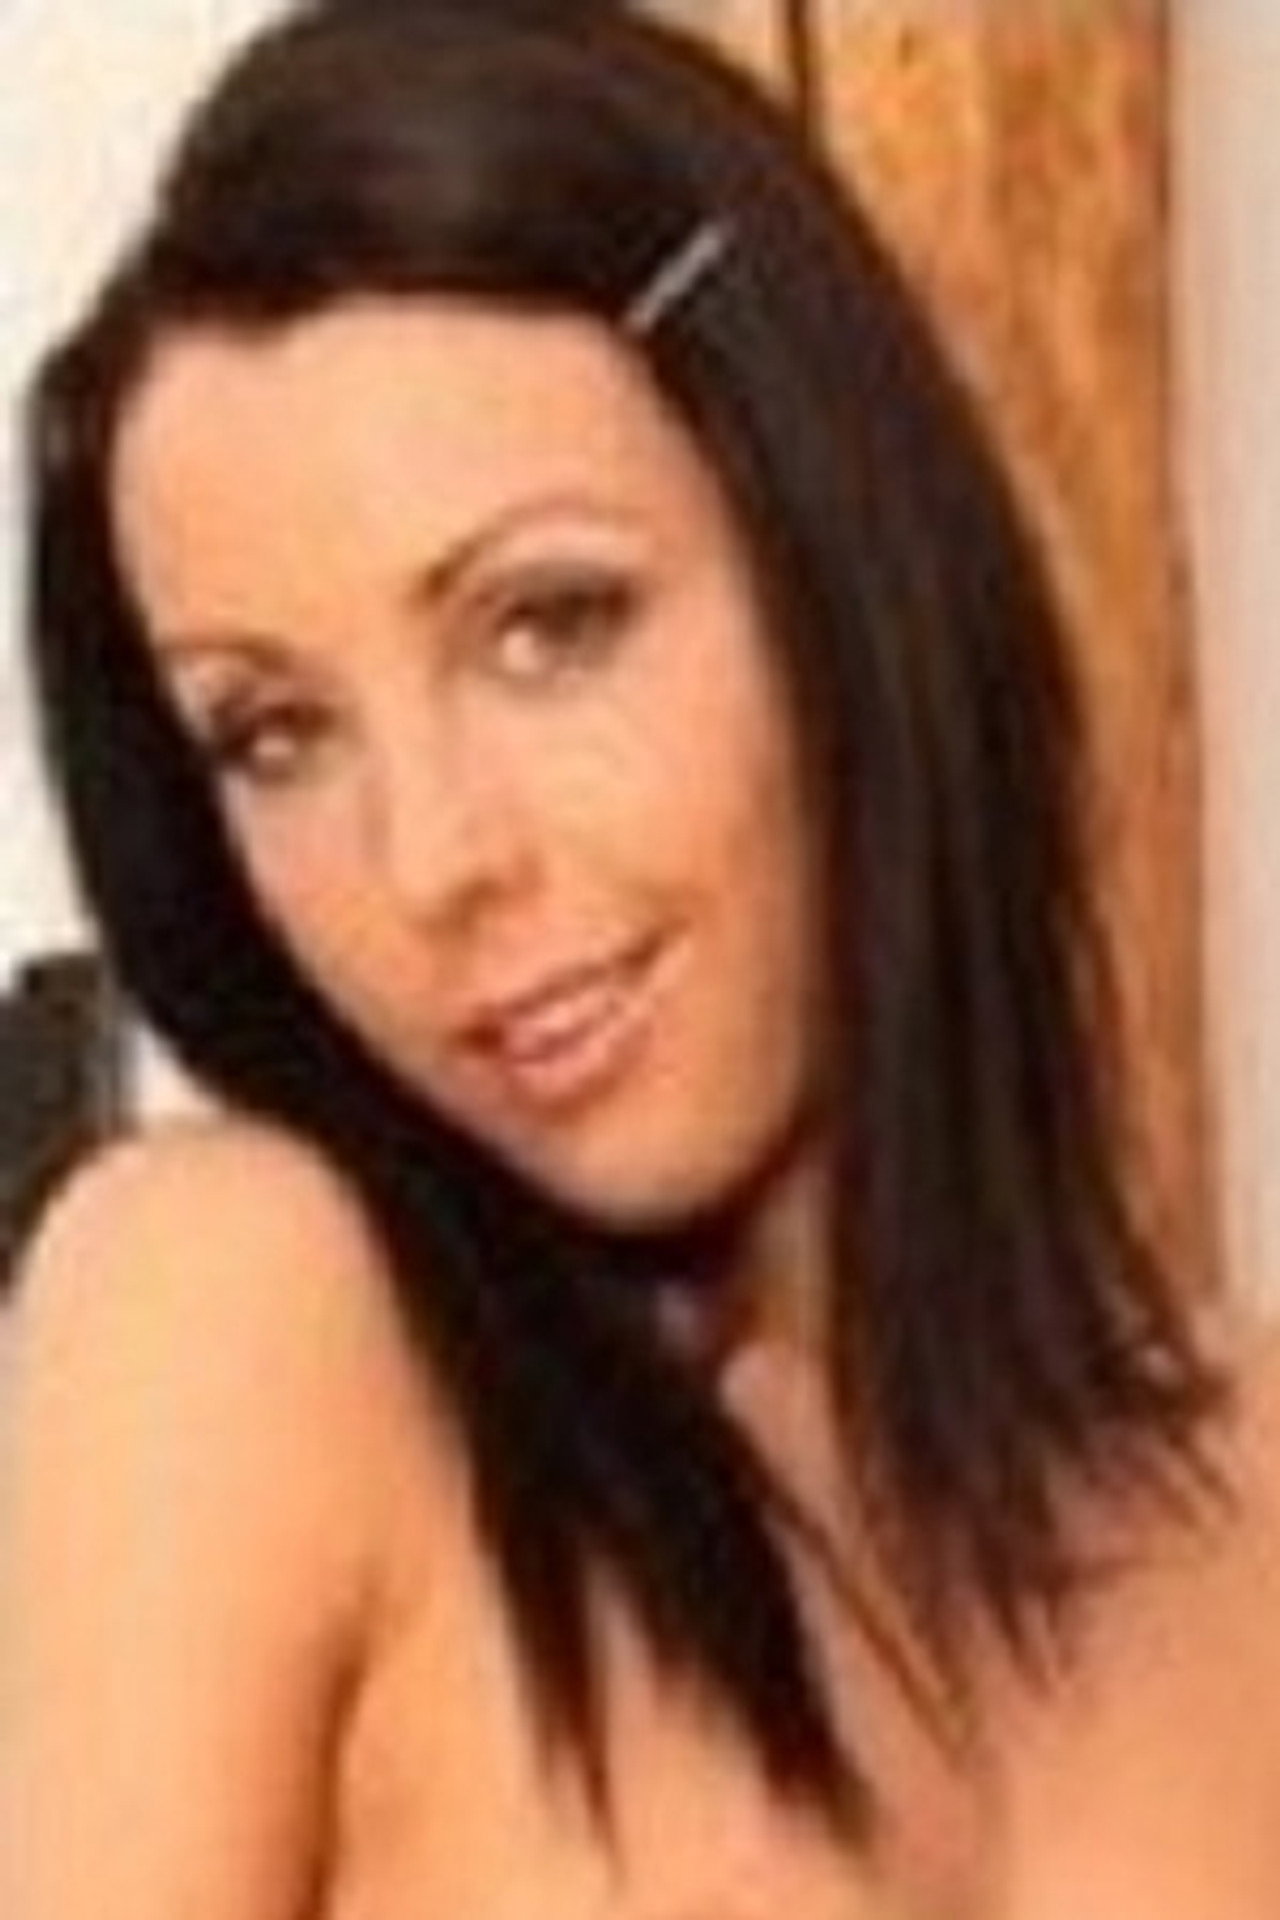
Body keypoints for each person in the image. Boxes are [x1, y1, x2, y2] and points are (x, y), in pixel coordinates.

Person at [4, 2, 1278, 1914]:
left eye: (550, 624)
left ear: (840, 553)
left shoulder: (1249, 1505)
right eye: (275, 733)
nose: (433, 860)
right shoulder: (248, 1318)